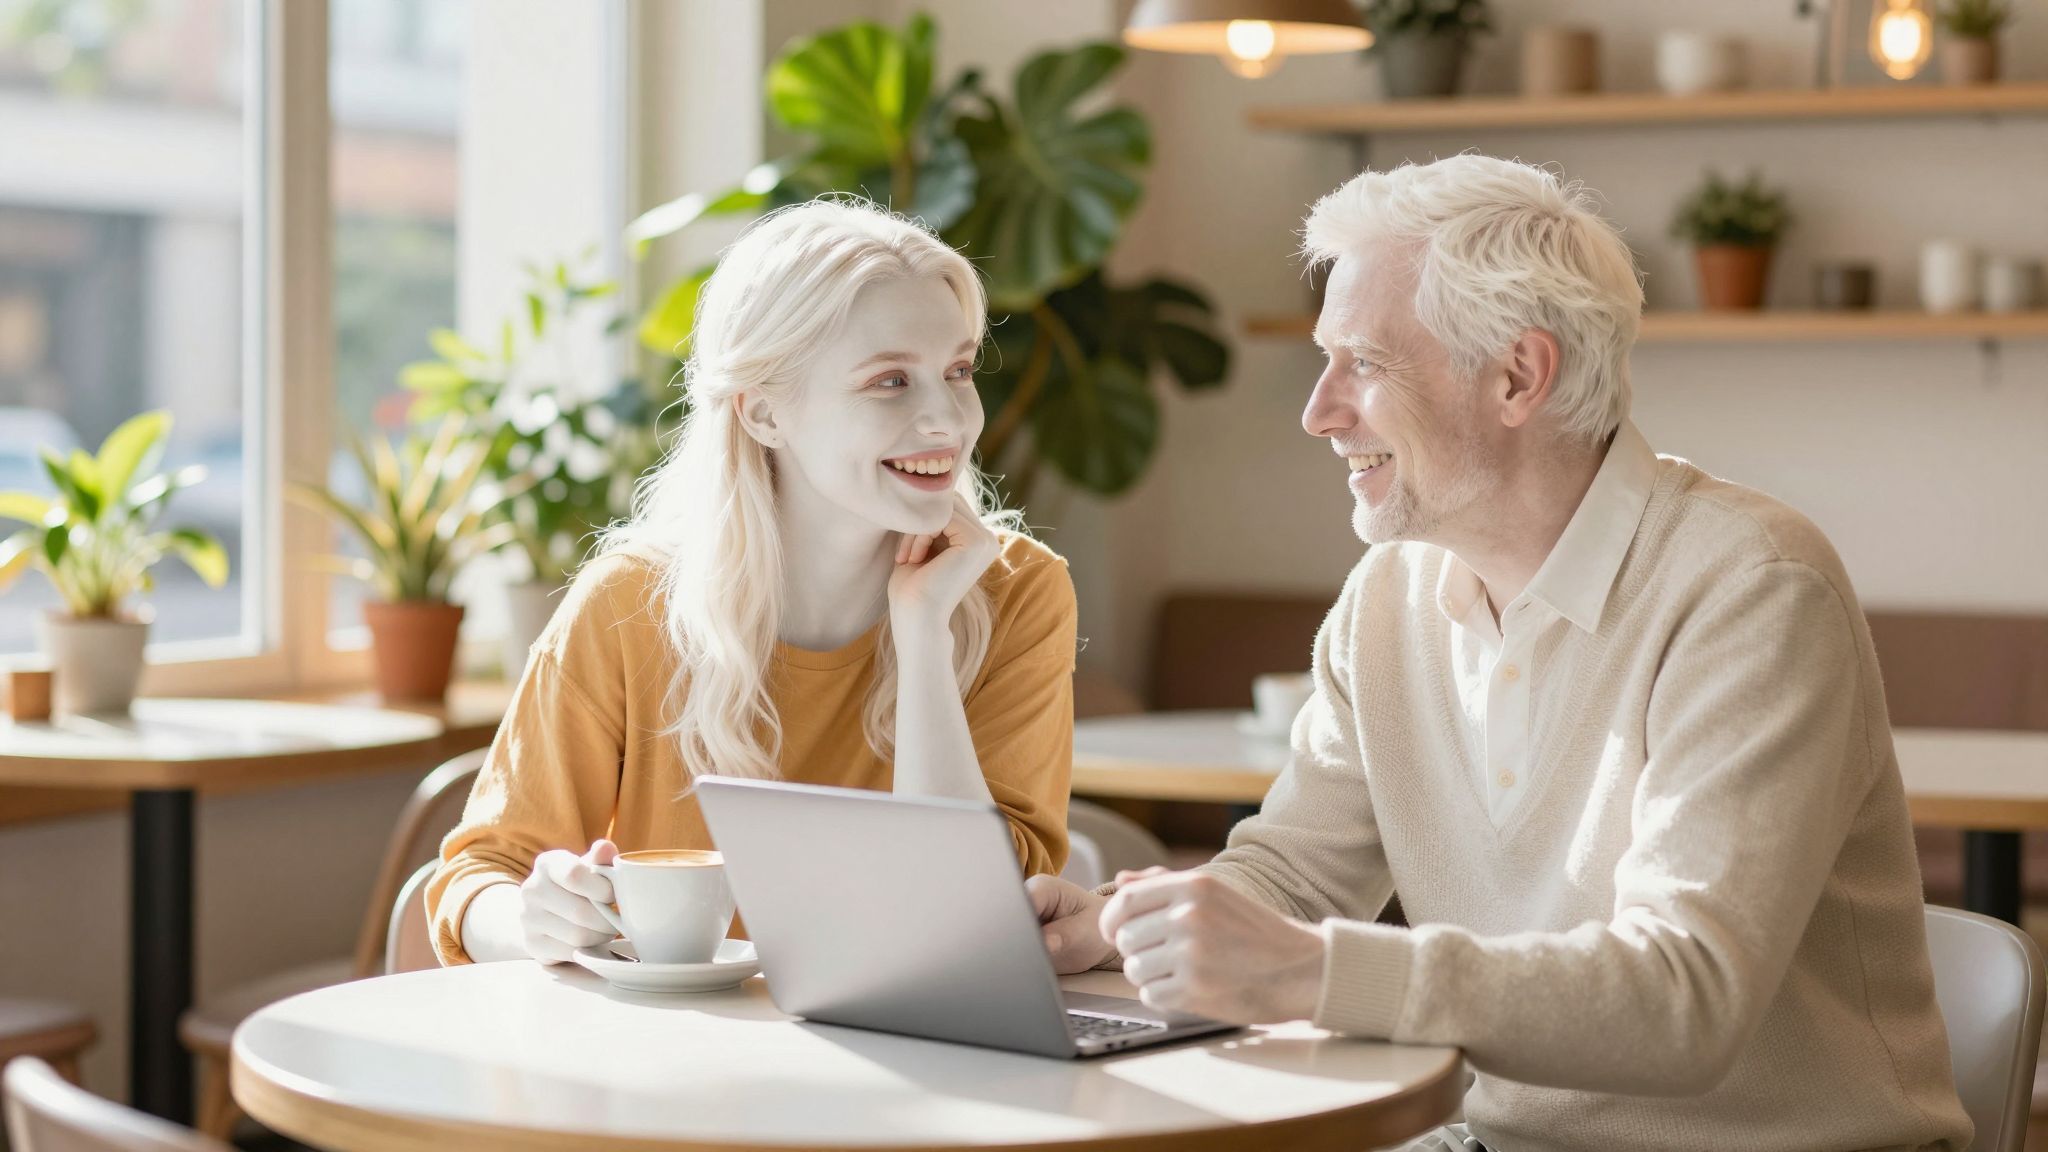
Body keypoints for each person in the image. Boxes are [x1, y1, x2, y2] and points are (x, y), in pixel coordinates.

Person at [1029, 156, 1971, 1151]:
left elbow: (1684, 1000)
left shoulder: (1750, 589)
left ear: (1516, 377)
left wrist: (1310, 973)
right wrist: (1122, 925)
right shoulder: (1387, 597)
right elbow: (1296, 879)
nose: (1319, 410)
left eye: (1363, 362)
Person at [430, 199, 1077, 967]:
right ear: (764, 412)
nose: (948, 419)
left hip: (922, 1060)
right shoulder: (627, 604)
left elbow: (976, 920)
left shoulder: (1015, 591)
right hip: (675, 1064)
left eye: (957, 371)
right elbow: (479, 878)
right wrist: (534, 917)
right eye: (890, 381)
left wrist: (925, 637)